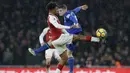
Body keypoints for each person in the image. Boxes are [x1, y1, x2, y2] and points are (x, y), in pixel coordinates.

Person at [28, 2, 101, 73]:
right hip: (60, 38)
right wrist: (71, 26)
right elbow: (58, 25)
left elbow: (74, 13)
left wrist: (80, 8)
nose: (57, 10)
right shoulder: (51, 17)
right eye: (56, 9)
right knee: (78, 37)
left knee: (64, 58)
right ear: (52, 9)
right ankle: (97, 40)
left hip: (59, 39)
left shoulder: (60, 15)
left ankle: (37, 52)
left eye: (59, 10)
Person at [57, 4, 88, 73]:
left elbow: (72, 18)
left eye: (60, 11)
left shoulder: (67, 15)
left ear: (65, 9)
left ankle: (70, 71)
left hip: (72, 34)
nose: (59, 12)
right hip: (74, 33)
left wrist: (76, 23)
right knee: (69, 53)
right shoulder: (70, 12)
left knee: (67, 52)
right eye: (58, 11)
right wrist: (81, 7)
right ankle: (71, 70)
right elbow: (75, 10)